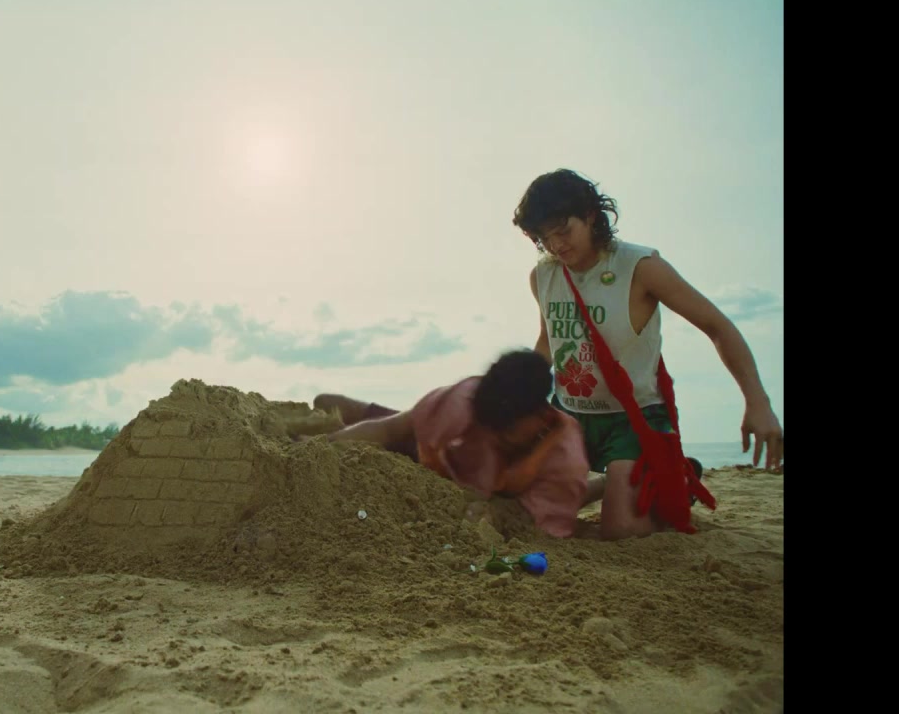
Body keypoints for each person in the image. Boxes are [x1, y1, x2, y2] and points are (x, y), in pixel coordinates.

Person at [516, 168, 783, 539]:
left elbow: (718, 326)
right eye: (544, 238)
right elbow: (549, 340)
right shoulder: (544, 275)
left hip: (634, 415)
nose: (556, 245)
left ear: (590, 215)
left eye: (562, 230)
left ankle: (667, 480)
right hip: (570, 414)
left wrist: (758, 402)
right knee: (532, 510)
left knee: (620, 530)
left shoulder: (640, 267)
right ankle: (617, 483)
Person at [305, 349, 594, 538]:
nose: (491, 439)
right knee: (326, 402)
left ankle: (600, 483)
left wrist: (490, 512)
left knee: (574, 495)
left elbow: (535, 522)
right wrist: (319, 448)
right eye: (486, 427)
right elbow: (391, 430)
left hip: (485, 483)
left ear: (540, 417)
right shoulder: (464, 401)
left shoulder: (563, 460)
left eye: (503, 435)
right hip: (429, 454)